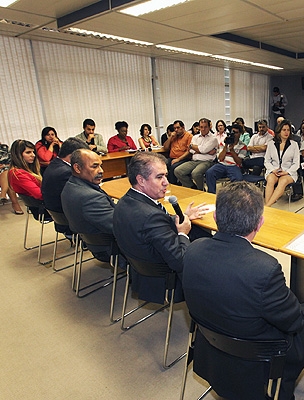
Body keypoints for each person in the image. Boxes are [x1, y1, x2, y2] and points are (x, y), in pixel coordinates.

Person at [182, 181, 304, 400]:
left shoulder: (192, 250)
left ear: (215, 217)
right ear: (260, 223)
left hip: (210, 343)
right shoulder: (265, 269)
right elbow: (294, 322)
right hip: (259, 356)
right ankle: (284, 383)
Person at [113, 152, 209, 292]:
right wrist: (182, 233)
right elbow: (181, 262)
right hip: (167, 279)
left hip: (142, 270)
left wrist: (182, 217)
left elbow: (153, 227)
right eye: (159, 177)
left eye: (165, 175)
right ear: (141, 180)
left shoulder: (124, 202)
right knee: (214, 249)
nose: (166, 182)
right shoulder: (151, 216)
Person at [60, 149, 117, 263]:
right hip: (111, 249)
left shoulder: (70, 186)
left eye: (101, 166)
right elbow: (120, 227)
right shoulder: (91, 198)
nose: (101, 171)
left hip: (92, 242)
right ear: (77, 168)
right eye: (94, 166)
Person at [41, 138, 88, 235]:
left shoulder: (54, 164)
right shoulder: (66, 172)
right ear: (72, 157)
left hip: (58, 216)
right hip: (69, 220)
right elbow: (83, 195)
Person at [174, 118, 218, 190]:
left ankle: (201, 190)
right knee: (178, 171)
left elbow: (203, 149)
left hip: (207, 161)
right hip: (194, 160)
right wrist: (203, 150)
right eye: (201, 127)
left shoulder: (213, 138)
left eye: (205, 127)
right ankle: (193, 187)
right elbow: (191, 150)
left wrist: (196, 148)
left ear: (209, 127)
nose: (203, 129)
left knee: (196, 173)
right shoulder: (195, 137)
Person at [264, 120, 300, 206]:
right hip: (274, 170)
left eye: (288, 130)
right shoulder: (271, 144)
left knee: (283, 181)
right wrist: (273, 170)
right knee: (271, 180)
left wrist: (287, 172)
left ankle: (267, 207)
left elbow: (296, 163)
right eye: (284, 130)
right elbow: (267, 161)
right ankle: (268, 206)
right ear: (279, 131)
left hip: (289, 172)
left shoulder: (294, 144)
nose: (286, 132)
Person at [205, 123, 247, 193]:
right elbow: (220, 158)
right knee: (209, 173)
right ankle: (211, 194)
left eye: (236, 133)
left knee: (238, 179)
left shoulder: (243, 146)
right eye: (232, 132)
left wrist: (232, 150)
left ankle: (235, 197)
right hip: (222, 164)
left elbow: (239, 162)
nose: (234, 135)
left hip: (234, 166)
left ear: (240, 134)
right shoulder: (223, 143)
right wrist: (226, 146)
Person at [7, 139, 44, 217]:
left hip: (40, 205)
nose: (33, 155)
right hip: (42, 208)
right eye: (28, 152)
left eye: (33, 152)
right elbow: (40, 195)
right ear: (18, 155)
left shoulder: (20, 171)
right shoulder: (18, 174)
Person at [163, 120, 193, 184]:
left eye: (178, 128)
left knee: (173, 166)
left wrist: (178, 159)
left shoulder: (189, 136)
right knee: (163, 164)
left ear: (183, 127)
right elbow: (165, 148)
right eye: (175, 128)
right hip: (172, 158)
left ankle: (174, 184)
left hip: (183, 158)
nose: (176, 130)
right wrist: (170, 137)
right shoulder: (174, 136)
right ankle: (167, 183)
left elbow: (189, 151)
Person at [0, 141, 23, 214]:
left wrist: (5, 166)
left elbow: (11, 160)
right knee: (8, 177)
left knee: (7, 173)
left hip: (6, 170)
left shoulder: (4, 148)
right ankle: (15, 204)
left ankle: (3, 194)